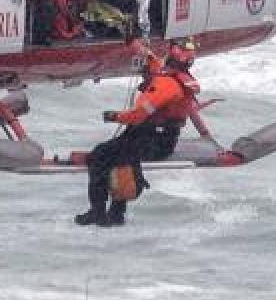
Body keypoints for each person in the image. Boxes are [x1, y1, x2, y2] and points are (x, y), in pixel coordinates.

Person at [75, 39, 199, 227]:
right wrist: (134, 42)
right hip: (159, 138)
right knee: (121, 154)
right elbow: (153, 61)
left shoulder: (166, 85)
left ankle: (98, 212)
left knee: (100, 156)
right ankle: (117, 214)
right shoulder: (174, 77)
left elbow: (138, 115)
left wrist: (114, 116)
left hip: (152, 142)